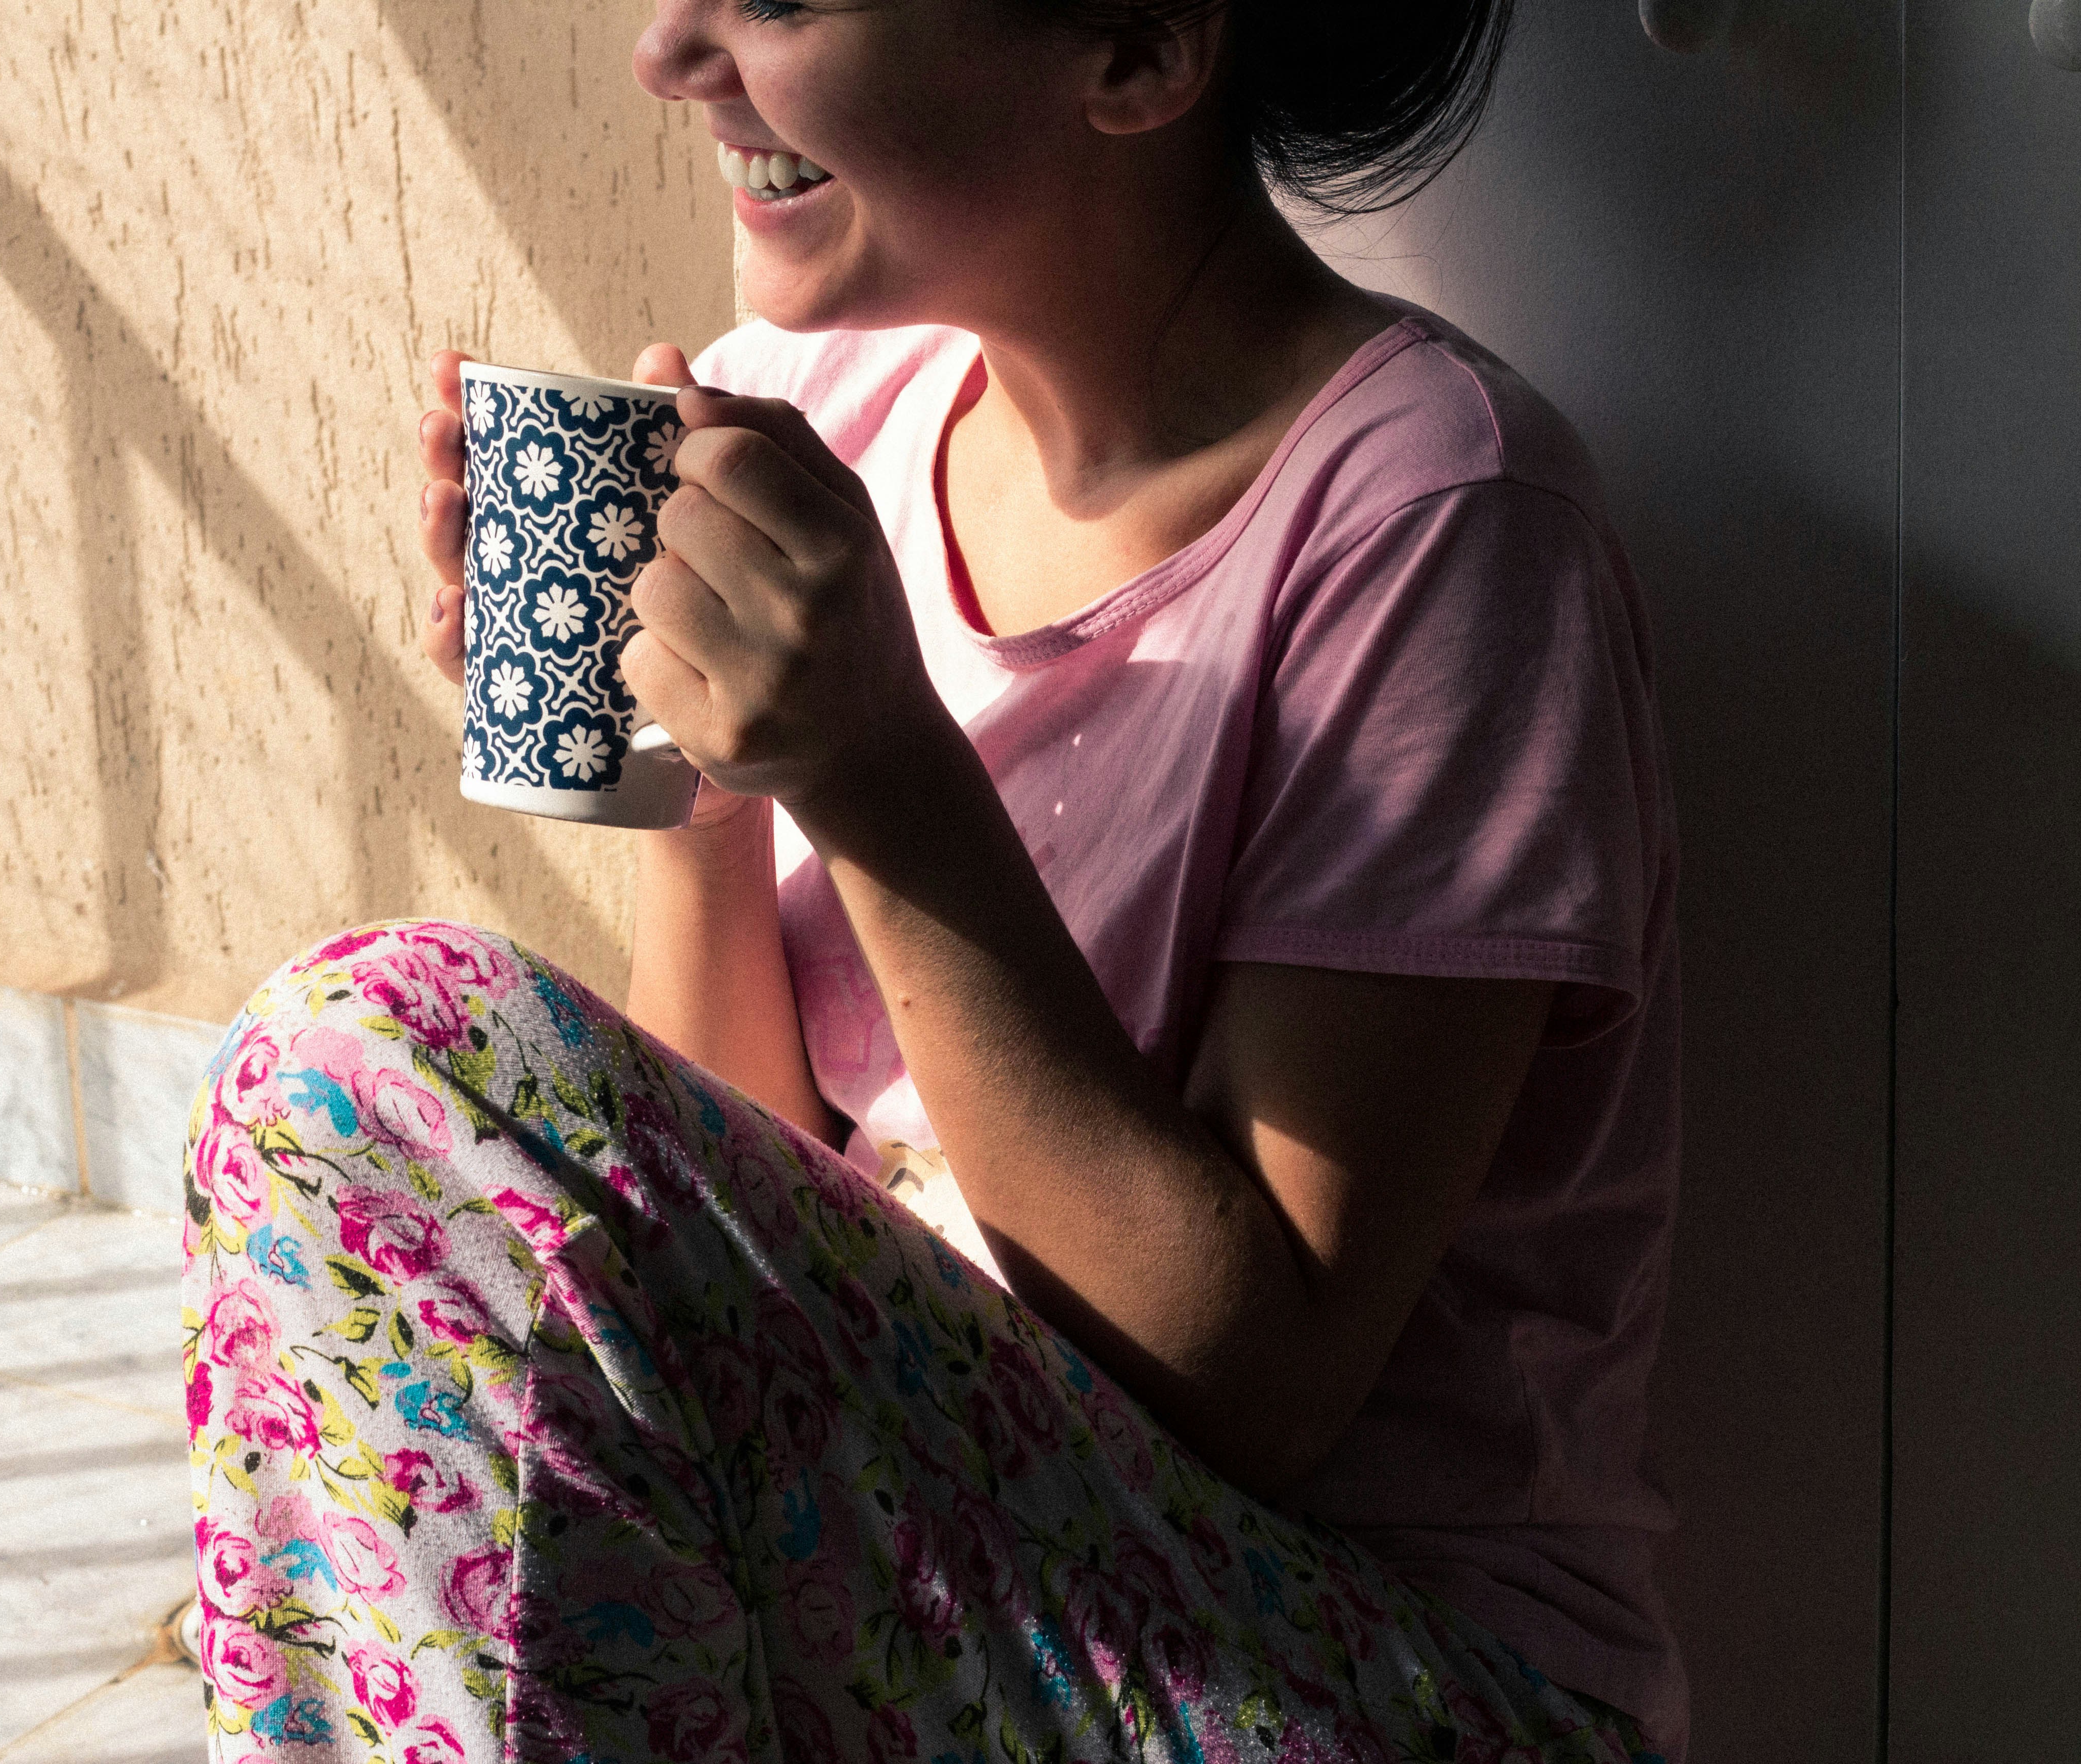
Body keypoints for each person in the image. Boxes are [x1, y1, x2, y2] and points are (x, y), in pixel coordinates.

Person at [180, 0, 1688, 1754]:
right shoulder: (832, 407)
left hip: (1372, 1678)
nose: (668, 50)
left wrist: (877, 769)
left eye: (781, 0)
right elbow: (747, 1216)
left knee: (378, 1055)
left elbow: (1256, 1395)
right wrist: (698, 770)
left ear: (1132, 45)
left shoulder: (1438, 524)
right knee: (380, 1130)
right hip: (953, 1585)